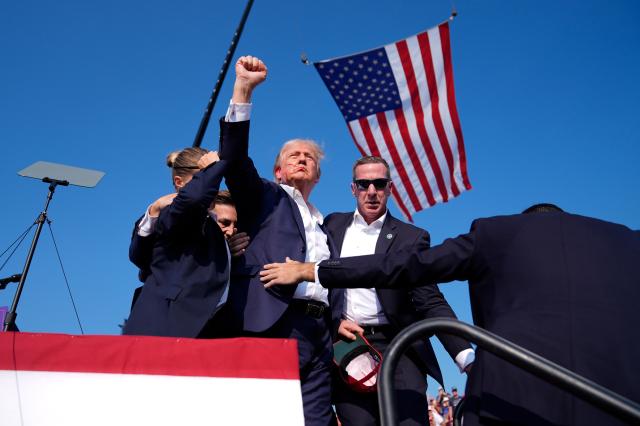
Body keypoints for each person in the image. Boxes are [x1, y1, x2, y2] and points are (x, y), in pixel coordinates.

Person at [261, 203, 640, 425]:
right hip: (621, 392)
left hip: (516, 387)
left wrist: (314, 270)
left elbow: (405, 269)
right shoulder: (628, 242)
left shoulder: (496, 233)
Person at [219, 55, 337, 426]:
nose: (302, 160)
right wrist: (243, 90)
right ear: (278, 170)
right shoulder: (266, 197)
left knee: (315, 420)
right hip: (275, 323)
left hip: (322, 335)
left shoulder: (327, 222)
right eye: (294, 156)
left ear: (317, 173)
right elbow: (234, 162)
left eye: (309, 157)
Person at [324, 156, 474, 426]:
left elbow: (430, 300)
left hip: (400, 346)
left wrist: (466, 357)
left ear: (390, 188)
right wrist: (334, 323)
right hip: (349, 346)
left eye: (379, 184)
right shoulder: (331, 227)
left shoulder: (411, 237)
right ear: (353, 188)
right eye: (364, 184)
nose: (371, 191)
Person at [123, 147, 231, 338]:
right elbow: (195, 197)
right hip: (165, 327)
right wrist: (213, 168)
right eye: (203, 177)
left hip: (198, 331)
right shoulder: (175, 212)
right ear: (179, 183)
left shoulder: (211, 226)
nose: (213, 184)